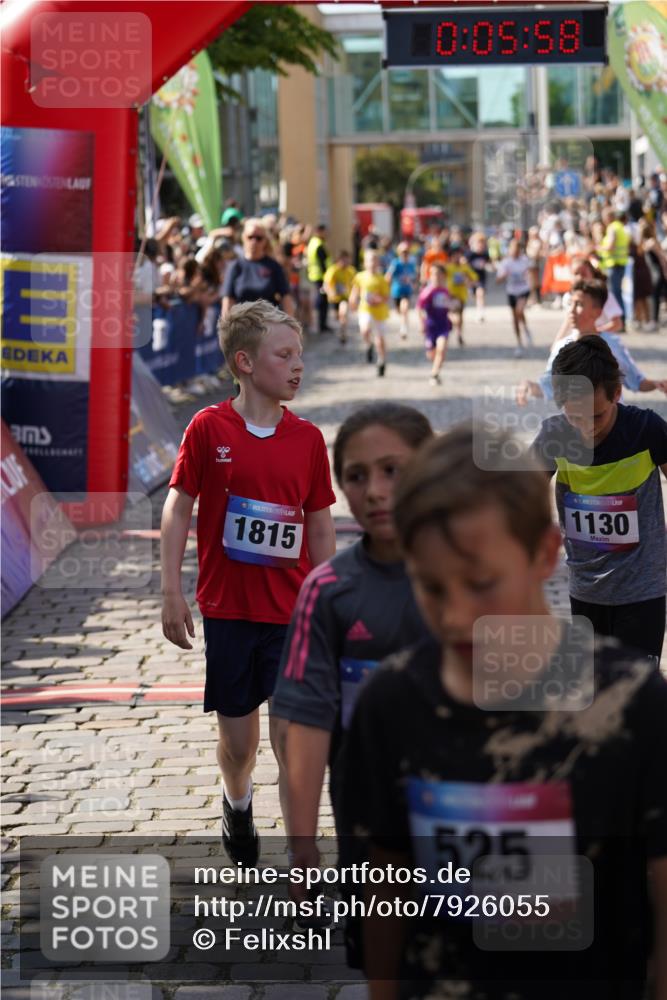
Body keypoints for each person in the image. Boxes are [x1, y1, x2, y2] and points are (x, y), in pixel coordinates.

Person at [337, 422, 667, 1000]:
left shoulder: (633, 702)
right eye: (433, 588)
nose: (459, 615)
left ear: (545, 552)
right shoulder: (391, 707)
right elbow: (381, 893)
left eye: (483, 583)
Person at [160, 300, 336, 865]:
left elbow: (319, 521)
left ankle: (302, 857)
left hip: (292, 613)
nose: (297, 365)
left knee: (291, 741)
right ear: (244, 361)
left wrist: (328, 595)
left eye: (299, 355)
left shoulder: (307, 439)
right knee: (240, 745)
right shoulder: (209, 428)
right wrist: (170, 589)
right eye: (283, 354)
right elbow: (177, 506)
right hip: (230, 611)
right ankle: (236, 803)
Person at [271, 402, 433, 958]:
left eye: (394, 470)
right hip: (369, 822)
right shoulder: (327, 591)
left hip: (472, 813)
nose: (376, 490)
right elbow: (310, 722)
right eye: (357, 476)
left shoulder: (476, 571)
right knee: (383, 959)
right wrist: (302, 845)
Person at [533, 336, 667, 661]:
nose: (585, 429)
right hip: (585, 587)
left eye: (596, 416)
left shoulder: (645, 429)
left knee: (635, 696)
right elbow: (517, 498)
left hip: (642, 591)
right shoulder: (555, 436)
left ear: (617, 394)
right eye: (574, 417)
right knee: (594, 694)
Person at [517, 279, 667, 406]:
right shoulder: (561, 347)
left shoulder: (612, 344)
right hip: (580, 429)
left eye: (579, 305)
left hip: (612, 427)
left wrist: (656, 384)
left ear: (598, 312)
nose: (572, 310)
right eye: (571, 303)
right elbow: (550, 385)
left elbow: (635, 380)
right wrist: (529, 386)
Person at [221, 218, 294, 316]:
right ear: (243, 238)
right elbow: (228, 302)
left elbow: (286, 298)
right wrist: (226, 328)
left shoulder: (273, 266)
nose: (254, 241)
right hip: (241, 326)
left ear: (265, 241)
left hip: (268, 325)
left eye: (258, 238)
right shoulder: (235, 266)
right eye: (250, 237)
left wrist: (290, 327)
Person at [350, 250, 391, 377]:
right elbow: (356, 291)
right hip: (365, 309)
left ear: (378, 262)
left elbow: (385, 297)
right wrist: (352, 300)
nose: (372, 263)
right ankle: (368, 344)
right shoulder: (360, 276)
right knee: (365, 330)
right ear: (365, 263)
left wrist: (378, 300)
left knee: (380, 339)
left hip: (379, 312)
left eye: (374, 260)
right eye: (369, 260)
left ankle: (382, 361)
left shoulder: (381, 279)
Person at [417, 262, 453, 386]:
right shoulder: (427, 292)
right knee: (431, 354)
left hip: (443, 325)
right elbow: (420, 309)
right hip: (430, 327)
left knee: (441, 348)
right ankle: (436, 367)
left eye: (438, 274)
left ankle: (434, 373)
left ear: (443, 276)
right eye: (433, 274)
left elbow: (448, 306)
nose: (435, 277)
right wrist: (422, 323)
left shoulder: (445, 290)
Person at [496, 239, 533, 356]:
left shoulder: (525, 260)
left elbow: (530, 274)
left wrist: (532, 291)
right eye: (513, 250)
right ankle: (519, 343)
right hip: (511, 292)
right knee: (515, 318)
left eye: (517, 250)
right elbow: (498, 280)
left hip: (523, 290)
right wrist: (504, 275)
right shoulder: (506, 263)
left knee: (519, 310)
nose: (515, 252)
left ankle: (526, 330)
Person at [598, 208, 630, 331]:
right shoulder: (620, 227)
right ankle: (622, 322)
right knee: (618, 293)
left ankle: (620, 322)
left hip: (614, 265)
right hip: (619, 265)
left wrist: (599, 248)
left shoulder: (612, 228)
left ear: (608, 217)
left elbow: (610, 247)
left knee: (614, 295)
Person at [445, 244, 477, 347]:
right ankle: (455, 329)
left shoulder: (464, 267)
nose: (457, 257)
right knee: (455, 315)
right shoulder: (448, 267)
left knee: (460, 316)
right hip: (451, 295)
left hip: (461, 295)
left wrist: (468, 280)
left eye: (459, 255)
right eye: (455, 255)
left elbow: (474, 278)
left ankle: (459, 334)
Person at [322, 250, 357, 344]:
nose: (345, 262)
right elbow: (326, 284)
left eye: (347, 260)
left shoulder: (351, 270)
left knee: (343, 312)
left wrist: (354, 297)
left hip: (345, 298)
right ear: (338, 260)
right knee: (338, 317)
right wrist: (330, 292)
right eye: (343, 260)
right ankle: (341, 327)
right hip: (334, 299)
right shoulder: (333, 270)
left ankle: (343, 332)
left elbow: (356, 284)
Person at [386, 243, 417, 340]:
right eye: (403, 252)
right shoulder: (396, 263)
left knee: (405, 307)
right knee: (399, 311)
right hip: (396, 292)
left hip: (406, 291)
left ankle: (403, 328)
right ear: (399, 253)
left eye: (407, 252)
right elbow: (388, 277)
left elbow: (414, 277)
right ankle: (403, 323)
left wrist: (413, 283)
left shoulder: (411, 264)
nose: (405, 254)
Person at [307, 224, 332, 334]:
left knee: (321, 301)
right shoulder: (318, 244)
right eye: (325, 232)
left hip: (315, 275)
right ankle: (322, 325)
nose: (327, 234)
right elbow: (323, 263)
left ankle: (322, 324)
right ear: (320, 231)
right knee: (322, 302)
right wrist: (328, 277)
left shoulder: (312, 242)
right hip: (321, 276)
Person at [466, 231, 492, 321]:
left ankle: (480, 312)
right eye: (478, 243)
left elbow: (489, 263)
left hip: (481, 277)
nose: (480, 245)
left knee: (480, 293)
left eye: (482, 243)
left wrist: (489, 266)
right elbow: (465, 265)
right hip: (471, 278)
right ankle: (478, 308)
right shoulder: (470, 254)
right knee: (474, 295)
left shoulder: (485, 254)